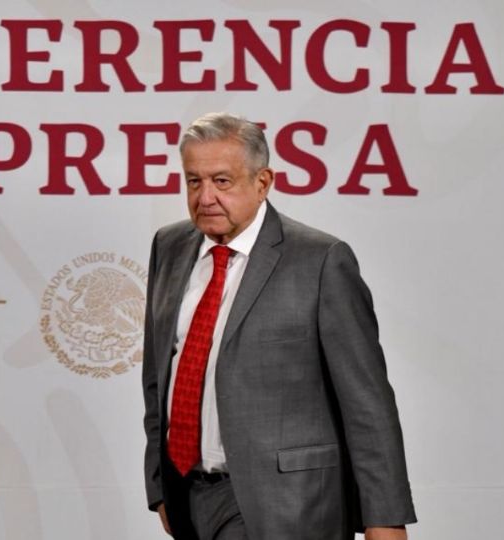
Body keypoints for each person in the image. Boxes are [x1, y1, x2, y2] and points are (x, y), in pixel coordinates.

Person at [141, 112, 417, 539]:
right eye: (194, 181)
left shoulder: (320, 260)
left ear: (263, 182)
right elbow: (158, 378)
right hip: (188, 497)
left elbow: (367, 404)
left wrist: (385, 520)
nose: (206, 196)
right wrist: (160, 484)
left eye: (222, 181)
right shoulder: (170, 247)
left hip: (289, 504)